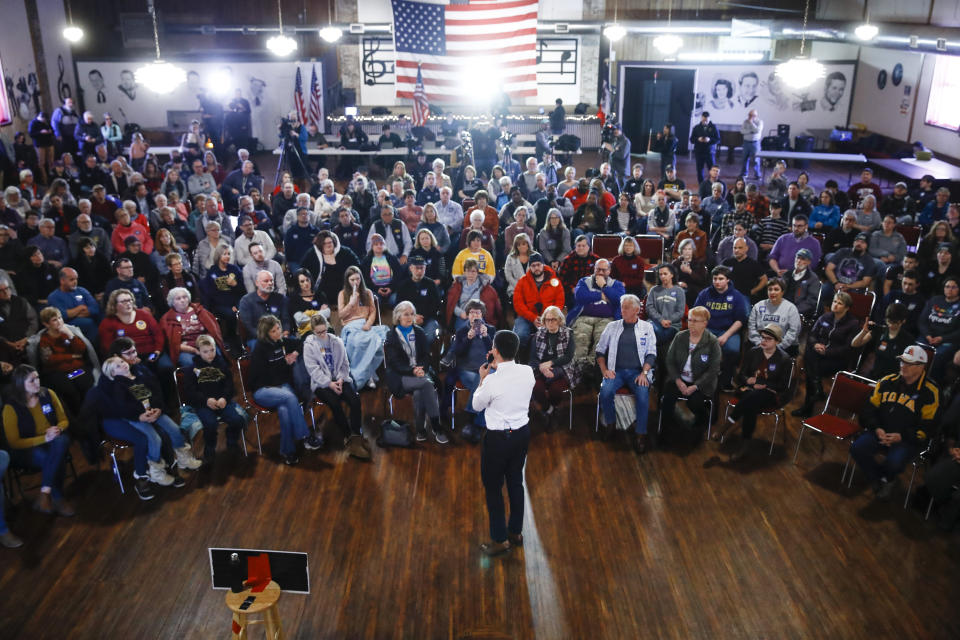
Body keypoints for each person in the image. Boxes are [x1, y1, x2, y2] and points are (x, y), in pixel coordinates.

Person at [471, 329, 535, 556]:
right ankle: (515, 532)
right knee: (516, 482)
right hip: (522, 434)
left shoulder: (491, 382)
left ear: (495, 351)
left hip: (498, 439)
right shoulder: (528, 372)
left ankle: (499, 540)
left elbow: (477, 405)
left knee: (493, 488)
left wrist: (482, 378)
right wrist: (498, 365)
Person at [850, 346, 939, 501]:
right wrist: (876, 427)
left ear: (921, 367)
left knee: (894, 463)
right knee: (857, 448)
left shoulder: (931, 392)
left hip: (906, 440)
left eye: (908, 363)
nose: (903, 366)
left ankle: (886, 478)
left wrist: (902, 436)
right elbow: (868, 410)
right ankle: (879, 479)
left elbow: (929, 426)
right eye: (902, 362)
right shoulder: (886, 381)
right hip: (879, 431)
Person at [2, 364, 75, 517]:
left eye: (37, 378)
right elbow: (14, 442)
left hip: (53, 440)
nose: (37, 383)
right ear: (20, 385)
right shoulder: (11, 407)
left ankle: (45, 493)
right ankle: (57, 497)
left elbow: (63, 420)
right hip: (28, 447)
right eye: (31, 381)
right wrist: (44, 438)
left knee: (60, 442)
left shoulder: (48, 393)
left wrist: (58, 429)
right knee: (53, 456)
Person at [249, 315, 321, 465]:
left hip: (282, 387)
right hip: (263, 390)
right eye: (274, 331)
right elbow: (260, 377)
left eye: (278, 328)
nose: (278, 332)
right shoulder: (259, 349)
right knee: (290, 398)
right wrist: (284, 362)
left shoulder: (282, 342)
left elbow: (303, 342)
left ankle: (288, 451)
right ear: (266, 333)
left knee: (284, 410)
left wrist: (294, 354)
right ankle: (304, 436)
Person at [718, 324, 792, 460]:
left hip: (771, 394)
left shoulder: (784, 359)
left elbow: (783, 386)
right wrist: (748, 380)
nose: (763, 341)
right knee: (751, 403)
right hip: (749, 391)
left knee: (754, 397)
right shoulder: (753, 352)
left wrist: (760, 384)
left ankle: (729, 423)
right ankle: (744, 445)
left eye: (768, 339)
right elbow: (741, 376)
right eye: (762, 337)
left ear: (777, 341)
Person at [596, 295, 658, 452]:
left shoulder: (647, 327)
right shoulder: (612, 326)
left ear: (636, 310)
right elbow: (600, 351)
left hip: (638, 372)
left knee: (643, 396)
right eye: (622, 307)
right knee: (605, 392)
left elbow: (651, 353)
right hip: (615, 371)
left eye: (626, 308)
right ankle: (610, 424)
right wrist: (604, 371)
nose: (622, 310)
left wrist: (644, 373)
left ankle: (640, 435)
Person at [302, 315, 370, 459]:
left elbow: (345, 363)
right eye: (319, 332)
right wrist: (330, 384)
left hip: (339, 378)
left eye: (324, 331)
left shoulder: (336, 341)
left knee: (355, 400)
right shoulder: (308, 346)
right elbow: (313, 371)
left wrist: (339, 379)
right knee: (335, 403)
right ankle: (348, 437)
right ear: (313, 331)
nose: (322, 334)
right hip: (321, 383)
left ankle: (356, 434)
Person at [384, 301, 448, 444]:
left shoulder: (419, 332)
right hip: (400, 376)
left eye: (412, 314)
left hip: (420, 372)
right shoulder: (391, 335)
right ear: (398, 316)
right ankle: (436, 427)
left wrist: (421, 369)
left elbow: (426, 355)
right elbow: (394, 362)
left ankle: (420, 429)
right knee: (426, 385)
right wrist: (412, 370)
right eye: (406, 314)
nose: (409, 317)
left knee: (421, 390)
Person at [792, 292, 860, 417]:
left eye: (840, 303)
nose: (835, 305)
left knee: (811, 370)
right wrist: (815, 345)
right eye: (834, 302)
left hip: (836, 359)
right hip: (818, 355)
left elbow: (848, 348)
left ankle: (809, 404)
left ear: (847, 308)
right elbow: (812, 335)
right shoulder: (825, 317)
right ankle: (816, 391)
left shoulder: (853, 324)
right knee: (810, 355)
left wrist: (827, 351)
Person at [661, 306, 722, 438]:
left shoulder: (712, 342)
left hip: (701, 384)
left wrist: (695, 386)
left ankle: (702, 422)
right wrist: (678, 380)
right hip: (679, 380)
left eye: (696, 321)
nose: (691, 324)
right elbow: (670, 360)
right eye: (689, 320)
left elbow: (714, 370)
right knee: (667, 396)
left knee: (695, 402)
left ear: (705, 323)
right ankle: (665, 430)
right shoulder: (680, 337)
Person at [186, 334, 247, 465]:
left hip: (222, 402)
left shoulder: (222, 365)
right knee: (210, 424)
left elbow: (229, 385)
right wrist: (206, 400)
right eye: (205, 352)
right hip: (204, 405)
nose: (210, 354)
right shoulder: (192, 369)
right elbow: (191, 392)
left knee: (237, 420)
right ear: (198, 351)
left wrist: (224, 398)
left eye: (212, 350)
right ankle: (209, 447)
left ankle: (231, 440)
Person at [33, 307, 98, 417]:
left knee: (85, 384)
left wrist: (71, 336)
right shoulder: (45, 339)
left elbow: (81, 350)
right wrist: (71, 356)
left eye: (60, 318)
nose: (59, 322)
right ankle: (77, 417)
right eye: (54, 320)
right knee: (70, 390)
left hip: (76, 370)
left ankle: (90, 414)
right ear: (46, 324)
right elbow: (49, 360)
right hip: (58, 372)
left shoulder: (69, 333)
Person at [694, 266, 749, 391]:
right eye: (715, 279)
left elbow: (740, 320)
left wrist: (726, 335)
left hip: (728, 330)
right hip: (707, 329)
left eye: (720, 279)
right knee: (700, 348)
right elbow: (696, 315)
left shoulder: (736, 296)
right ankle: (701, 380)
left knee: (733, 350)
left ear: (728, 280)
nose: (717, 282)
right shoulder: (705, 294)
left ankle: (726, 379)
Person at [527, 305, 578, 431]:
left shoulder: (568, 333)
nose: (550, 322)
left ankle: (554, 408)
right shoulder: (538, 335)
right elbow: (532, 358)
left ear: (559, 320)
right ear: (543, 321)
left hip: (562, 369)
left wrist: (550, 363)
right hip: (540, 370)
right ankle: (549, 410)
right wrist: (542, 368)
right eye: (547, 320)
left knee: (556, 390)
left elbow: (568, 357)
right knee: (535, 388)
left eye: (553, 319)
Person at [337, 266, 388, 389]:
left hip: (365, 325)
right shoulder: (343, 294)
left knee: (376, 341)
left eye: (358, 279)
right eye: (352, 279)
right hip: (350, 326)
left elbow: (372, 312)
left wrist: (368, 324)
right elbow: (341, 315)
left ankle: (368, 373)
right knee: (358, 343)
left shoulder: (368, 293)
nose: (356, 282)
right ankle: (362, 376)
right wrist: (351, 303)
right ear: (347, 281)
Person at [159, 287, 226, 368]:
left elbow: (213, 330)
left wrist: (204, 346)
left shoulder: (200, 311)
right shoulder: (166, 318)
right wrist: (193, 350)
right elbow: (172, 343)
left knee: (218, 359)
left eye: (185, 297)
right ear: (172, 302)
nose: (182, 300)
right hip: (185, 349)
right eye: (178, 298)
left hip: (206, 344)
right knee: (189, 363)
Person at [512, 252, 564, 348]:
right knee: (520, 336)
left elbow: (560, 301)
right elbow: (518, 304)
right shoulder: (522, 281)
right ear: (530, 267)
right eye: (533, 265)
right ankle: (522, 360)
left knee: (559, 336)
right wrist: (532, 317)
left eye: (539, 265)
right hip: (527, 317)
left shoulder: (554, 280)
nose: (536, 268)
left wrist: (549, 316)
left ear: (543, 265)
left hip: (550, 317)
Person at [853, 303, 915, 381]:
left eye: (895, 323)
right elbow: (855, 344)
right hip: (874, 376)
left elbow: (909, 365)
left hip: (892, 380)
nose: (891, 325)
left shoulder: (908, 339)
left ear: (903, 321)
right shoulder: (880, 330)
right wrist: (864, 331)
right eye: (889, 321)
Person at [917, 277, 960, 381]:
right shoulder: (935, 300)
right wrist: (927, 335)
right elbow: (922, 321)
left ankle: (930, 382)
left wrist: (942, 338)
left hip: (948, 340)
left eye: (953, 287)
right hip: (928, 337)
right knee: (915, 350)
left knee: (937, 357)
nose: (950, 289)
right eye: (947, 286)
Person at [747, 278, 801, 355]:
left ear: (782, 292)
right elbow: (751, 327)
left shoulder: (791, 308)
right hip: (761, 345)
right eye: (770, 289)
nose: (772, 292)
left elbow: (793, 332)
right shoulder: (758, 306)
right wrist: (759, 343)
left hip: (784, 347)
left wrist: (778, 347)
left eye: (776, 289)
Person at [445, 259, 501, 331]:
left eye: (473, 271)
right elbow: (452, 304)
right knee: (462, 333)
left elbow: (491, 307)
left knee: (477, 333)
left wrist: (476, 315)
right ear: (464, 272)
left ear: (478, 272)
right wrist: (461, 313)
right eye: (468, 271)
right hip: (463, 316)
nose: (470, 274)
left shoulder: (486, 288)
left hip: (478, 317)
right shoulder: (457, 286)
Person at [690, 111, 720, 184]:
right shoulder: (697, 127)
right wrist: (698, 139)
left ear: (709, 119)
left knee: (712, 169)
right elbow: (691, 139)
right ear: (701, 118)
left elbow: (718, 140)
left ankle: (712, 183)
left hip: (709, 152)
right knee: (699, 169)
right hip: (699, 152)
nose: (705, 122)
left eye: (706, 120)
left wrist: (709, 140)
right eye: (703, 120)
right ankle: (701, 185)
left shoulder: (713, 127)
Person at [740, 109, 763, 179]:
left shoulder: (759, 122)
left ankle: (757, 175)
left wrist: (751, 123)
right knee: (744, 159)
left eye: (751, 115)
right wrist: (751, 131)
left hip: (755, 143)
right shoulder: (745, 122)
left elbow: (757, 130)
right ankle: (744, 174)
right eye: (749, 115)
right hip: (746, 142)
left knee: (756, 160)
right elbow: (742, 131)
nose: (749, 116)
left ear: (755, 116)